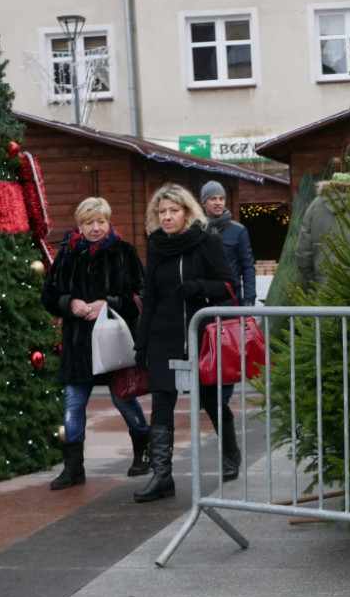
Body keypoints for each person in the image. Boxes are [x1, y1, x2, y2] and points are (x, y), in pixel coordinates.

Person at [132, 183, 238, 503]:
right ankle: (162, 476)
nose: (166, 217)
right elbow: (150, 296)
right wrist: (142, 343)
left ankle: (230, 453)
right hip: (164, 337)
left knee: (208, 398)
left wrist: (197, 287)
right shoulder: (156, 244)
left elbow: (227, 286)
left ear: (188, 212)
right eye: (162, 211)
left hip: (199, 335)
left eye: (173, 211)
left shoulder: (205, 241)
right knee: (162, 403)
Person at [41, 197, 150, 490]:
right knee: (73, 404)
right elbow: (48, 294)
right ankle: (73, 468)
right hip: (78, 344)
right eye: (89, 222)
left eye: (101, 221)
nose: (96, 227)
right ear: (80, 225)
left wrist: (109, 303)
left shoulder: (124, 252)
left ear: (108, 221)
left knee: (123, 398)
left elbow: (142, 293)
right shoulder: (67, 255)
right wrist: (70, 302)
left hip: (114, 341)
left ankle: (145, 449)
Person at [199, 180, 256, 484]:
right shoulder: (197, 230)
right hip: (203, 305)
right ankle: (217, 394)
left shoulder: (237, 230)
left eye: (222, 198)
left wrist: (248, 299)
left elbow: (247, 264)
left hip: (230, 303)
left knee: (229, 358)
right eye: (214, 199)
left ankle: (223, 392)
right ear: (204, 203)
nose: (219, 203)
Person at [296, 139, 350, 287]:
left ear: (346, 164)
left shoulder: (316, 205)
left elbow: (303, 255)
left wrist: (316, 288)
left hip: (325, 298)